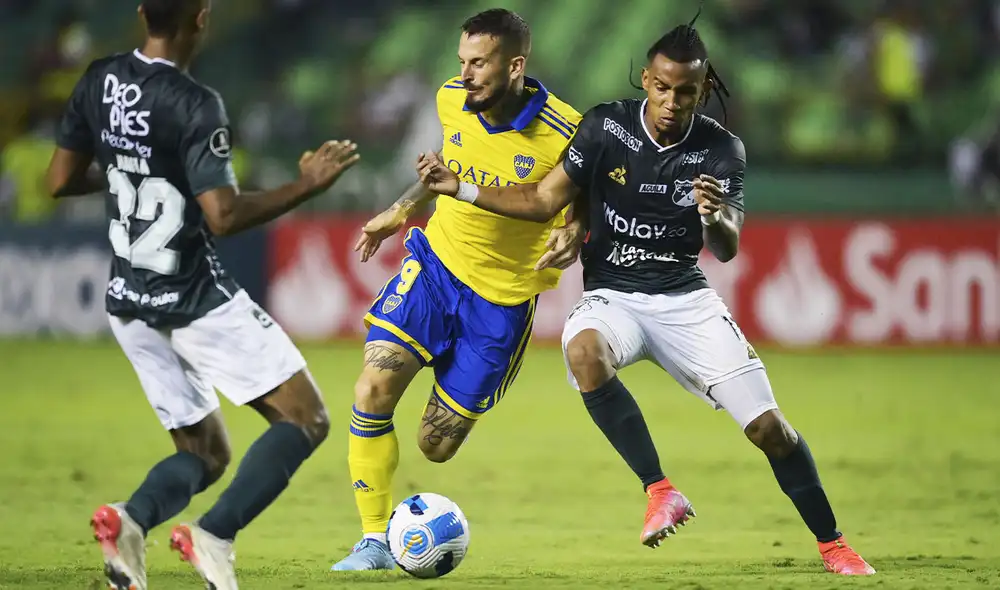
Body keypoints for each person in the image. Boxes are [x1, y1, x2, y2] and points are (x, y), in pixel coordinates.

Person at [417, 19, 876, 577]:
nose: (671, 101)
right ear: (646, 79)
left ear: (702, 91)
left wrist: (714, 217)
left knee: (769, 430)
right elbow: (543, 199)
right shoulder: (605, 126)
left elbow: (727, 248)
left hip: (685, 299)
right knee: (584, 352)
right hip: (613, 297)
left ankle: (833, 544)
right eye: (661, 87)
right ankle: (659, 490)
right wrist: (461, 188)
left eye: (685, 92)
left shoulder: (720, 149)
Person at [45, 1, 359, 588]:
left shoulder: (100, 79)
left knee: (205, 451)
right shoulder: (195, 105)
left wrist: (129, 175)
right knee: (305, 418)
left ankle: (130, 522)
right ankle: (213, 535)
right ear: (203, 17)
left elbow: (60, 179)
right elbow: (223, 215)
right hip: (193, 296)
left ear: (142, 12)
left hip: (128, 299)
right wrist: (306, 185)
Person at [330, 8, 586, 572]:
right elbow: (447, 167)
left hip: (501, 302)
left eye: (479, 63)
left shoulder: (567, 131)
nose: (465, 74)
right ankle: (374, 539)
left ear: (515, 65)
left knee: (435, 445)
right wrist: (400, 210)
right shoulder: (451, 99)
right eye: (461, 61)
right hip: (438, 264)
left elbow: (585, 188)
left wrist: (576, 226)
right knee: (373, 385)